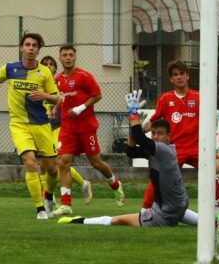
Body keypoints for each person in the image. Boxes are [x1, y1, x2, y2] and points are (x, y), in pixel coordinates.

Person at [58, 90, 197, 227]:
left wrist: (133, 113)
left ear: (169, 136)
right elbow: (131, 151)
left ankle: (80, 221)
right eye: (153, 133)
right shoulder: (159, 151)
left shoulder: (164, 150)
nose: (156, 137)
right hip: (177, 206)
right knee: (194, 219)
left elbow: (141, 139)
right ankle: (212, 221)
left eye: (160, 134)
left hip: (165, 213)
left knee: (119, 221)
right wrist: (133, 129)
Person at [0, 33, 59, 220]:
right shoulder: (9, 69)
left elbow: (58, 98)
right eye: (27, 44)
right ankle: (40, 209)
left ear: (38, 50)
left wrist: (45, 96)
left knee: (52, 169)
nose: (31, 48)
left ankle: (49, 194)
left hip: (41, 124)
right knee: (30, 162)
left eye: (34, 45)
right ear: (21, 48)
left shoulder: (45, 72)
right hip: (19, 124)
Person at [143, 60, 219, 226]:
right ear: (171, 79)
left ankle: (218, 214)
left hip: (199, 148)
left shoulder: (200, 97)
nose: (179, 77)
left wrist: (213, 147)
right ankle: (144, 211)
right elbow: (154, 121)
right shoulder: (165, 98)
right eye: (175, 75)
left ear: (187, 76)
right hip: (176, 149)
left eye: (182, 73)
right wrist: (138, 129)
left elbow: (210, 121)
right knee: (158, 177)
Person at [52, 45, 124, 216]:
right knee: (63, 162)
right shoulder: (58, 79)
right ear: (60, 58)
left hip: (86, 128)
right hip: (68, 128)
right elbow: (61, 97)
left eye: (71, 55)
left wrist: (81, 108)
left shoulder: (84, 76)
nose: (68, 58)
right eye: (64, 55)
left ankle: (115, 184)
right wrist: (56, 108)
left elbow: (98, 95)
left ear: (75, 58)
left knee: (96, 163)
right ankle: (66, 204)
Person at [40, 55, 92, 205]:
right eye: (45, 64)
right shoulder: (38, 84)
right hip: (42, 128)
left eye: (51, 64)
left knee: (58, 162)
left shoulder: (58, 83)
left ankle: (80, 185)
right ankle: (49, 196)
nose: (48, 66)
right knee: (44, 165)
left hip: (58, 126)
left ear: (56, 68)